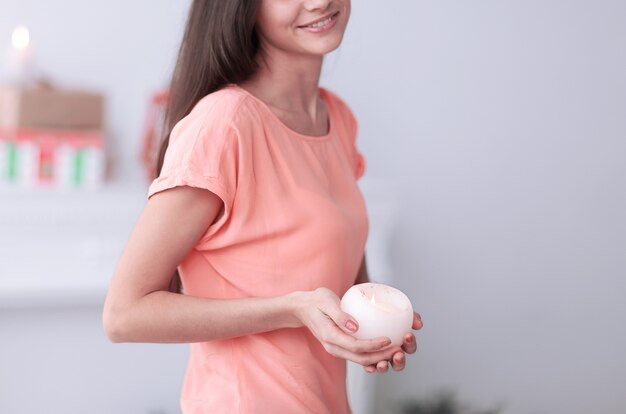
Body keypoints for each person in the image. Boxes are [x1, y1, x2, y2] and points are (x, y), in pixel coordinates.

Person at [103, 0, 423, 412]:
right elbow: (124, 314)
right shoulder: (222, 125)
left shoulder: (336, 118)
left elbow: (338, 277)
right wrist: (292, 310)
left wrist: (366, 329)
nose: (320, 2)